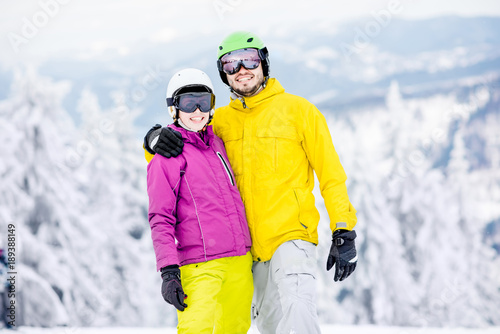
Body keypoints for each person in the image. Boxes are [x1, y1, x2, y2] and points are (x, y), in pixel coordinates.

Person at [144, 32, 358, 334]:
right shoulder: (217, 121)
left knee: (298, 312)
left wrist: (343, 228)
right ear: (224, 74)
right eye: (231, 64)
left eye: (249, 59)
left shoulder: (299, 112)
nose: (241, 69)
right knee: (269, 326)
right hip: (246, 252)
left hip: (290, 235)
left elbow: (331, 174)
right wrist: (153, 139)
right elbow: (181, 147)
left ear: (264, 63)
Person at [146, 68, 253, 333]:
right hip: (200, 264)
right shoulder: (166, 158)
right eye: (187, 102)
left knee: (236, 329)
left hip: (239, 261)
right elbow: (160, 218)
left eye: (203, 102)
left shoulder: (217, 143)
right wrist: (169, 270)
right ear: (174, 108)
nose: (197, 110)